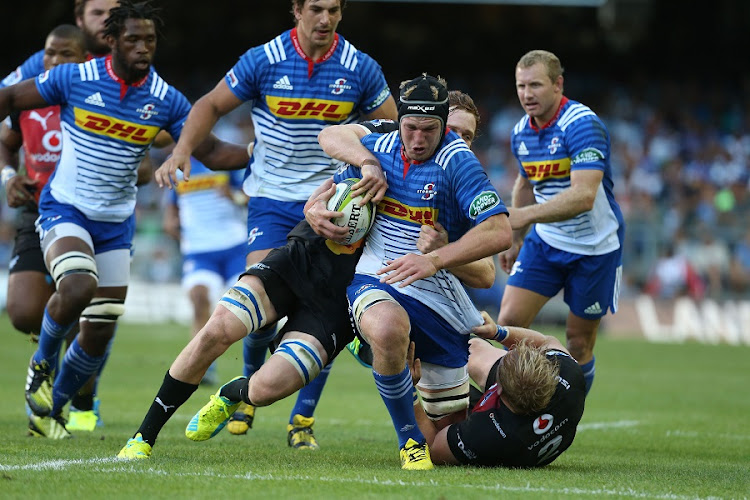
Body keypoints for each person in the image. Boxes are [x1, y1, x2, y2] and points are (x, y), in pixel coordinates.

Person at [154, 0, 398, 448]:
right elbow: (209, 104)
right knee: (260, 306)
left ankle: (301, 420)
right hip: (271, 200)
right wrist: (181, 150)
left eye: (334, 10)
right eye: (317, 10)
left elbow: (393, 128)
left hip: (332, 203)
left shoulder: (360, 68)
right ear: (296, 10)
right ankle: (248, 390)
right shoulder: (262, 59)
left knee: (321, 310)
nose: (325, 19)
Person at [0, 0, 249, 439]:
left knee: (97, 331)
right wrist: (7, 170)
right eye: (132, 39)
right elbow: (10, 98)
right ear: (111, 40)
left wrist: (259, 153)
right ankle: (41, 367)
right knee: (78, 286)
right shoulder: (74, 77)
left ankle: (50, 409)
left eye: (149, 40)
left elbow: (210, 152)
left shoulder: (165, 99)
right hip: (66, 207)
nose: (142, 48)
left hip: (116, 224)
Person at [314, 74, 512, 469]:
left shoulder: (459, 165)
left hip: (440, 300)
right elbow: (331, 141)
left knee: (450, 441)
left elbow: (497, 241)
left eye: (433, 131)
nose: (419, 139)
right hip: (380, 279)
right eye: (411, 128)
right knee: (388, 329)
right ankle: (407, 440)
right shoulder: (381, 145)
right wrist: (313, 207)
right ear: (398, 121)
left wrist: (439, 255)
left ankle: (435, 402)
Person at [0, 0, 141, 433]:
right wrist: (9, 174)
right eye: (99, 12)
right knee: (27, 311)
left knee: (93, 315)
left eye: (113, 14)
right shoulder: (39, 70)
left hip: (104, 214)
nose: (107, 21)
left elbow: (149, 144)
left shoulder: (121, 74)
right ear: (80, 18)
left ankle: (75, 399)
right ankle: (52, 373)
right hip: (43, 204)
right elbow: (6, 130)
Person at [497, 50, 624, 396]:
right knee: (506, 325)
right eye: (521, 86)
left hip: (595, 248)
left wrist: (524, 216)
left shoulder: (582, 124)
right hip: (547, 242)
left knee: (578, 343)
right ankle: (506, 410)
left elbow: (583, 196)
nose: (526, 94)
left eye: (535, 85)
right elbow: (525, 184)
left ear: (558, 85)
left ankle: (567, 418)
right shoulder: (521, 131)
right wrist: (517, 237)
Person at [408, 311, 585, 467]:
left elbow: (432, 446)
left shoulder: (486, 435)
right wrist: (498, 332)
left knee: (441, 398)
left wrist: (409, 390)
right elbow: (546, 341)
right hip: (536, 408)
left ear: (497, 390)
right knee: (473, 348)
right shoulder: (568, 373)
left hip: (509, 438)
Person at [162, 156, 248, 386]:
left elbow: (250, 197)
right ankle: (204, 367)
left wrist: (234, 196)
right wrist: (177, 231)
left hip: (235, 246)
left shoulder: (224, 158)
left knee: (252, 305)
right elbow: (170, 214)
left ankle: (256, 368)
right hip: (200, 251)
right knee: (199, 299)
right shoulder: (177, 167)